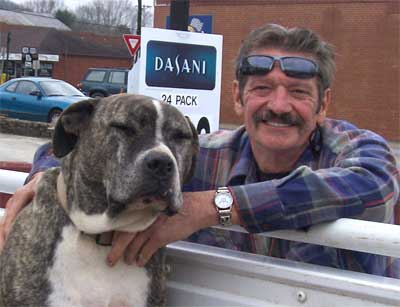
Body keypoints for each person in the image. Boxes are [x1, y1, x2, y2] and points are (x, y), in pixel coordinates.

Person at [1, 23, 399, 277]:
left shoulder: (355, 151)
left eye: (298, 92)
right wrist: (48, 175)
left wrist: (212, 206)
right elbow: (92, 143)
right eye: (262, 89)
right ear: (238, 98)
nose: (279, 106)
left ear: (324, 104)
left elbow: (375, 184)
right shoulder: (197, 154)